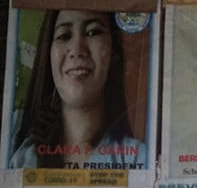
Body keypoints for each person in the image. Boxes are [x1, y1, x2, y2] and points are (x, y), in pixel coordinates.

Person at [9, 9, 146, 169]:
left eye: (93, 32)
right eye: (64, 36)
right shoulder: (17, 151)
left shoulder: (139, 159)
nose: (77, 50)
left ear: (113, 50)